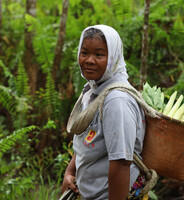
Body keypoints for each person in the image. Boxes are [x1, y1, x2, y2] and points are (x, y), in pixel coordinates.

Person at [61, 24, 146, 200]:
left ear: (113, 57)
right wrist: (70, 171)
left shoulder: (116, 101)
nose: (89, 60)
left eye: (99, 54)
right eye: (84, 53)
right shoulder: (95, 89)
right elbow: (89, 139)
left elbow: (121, 162)